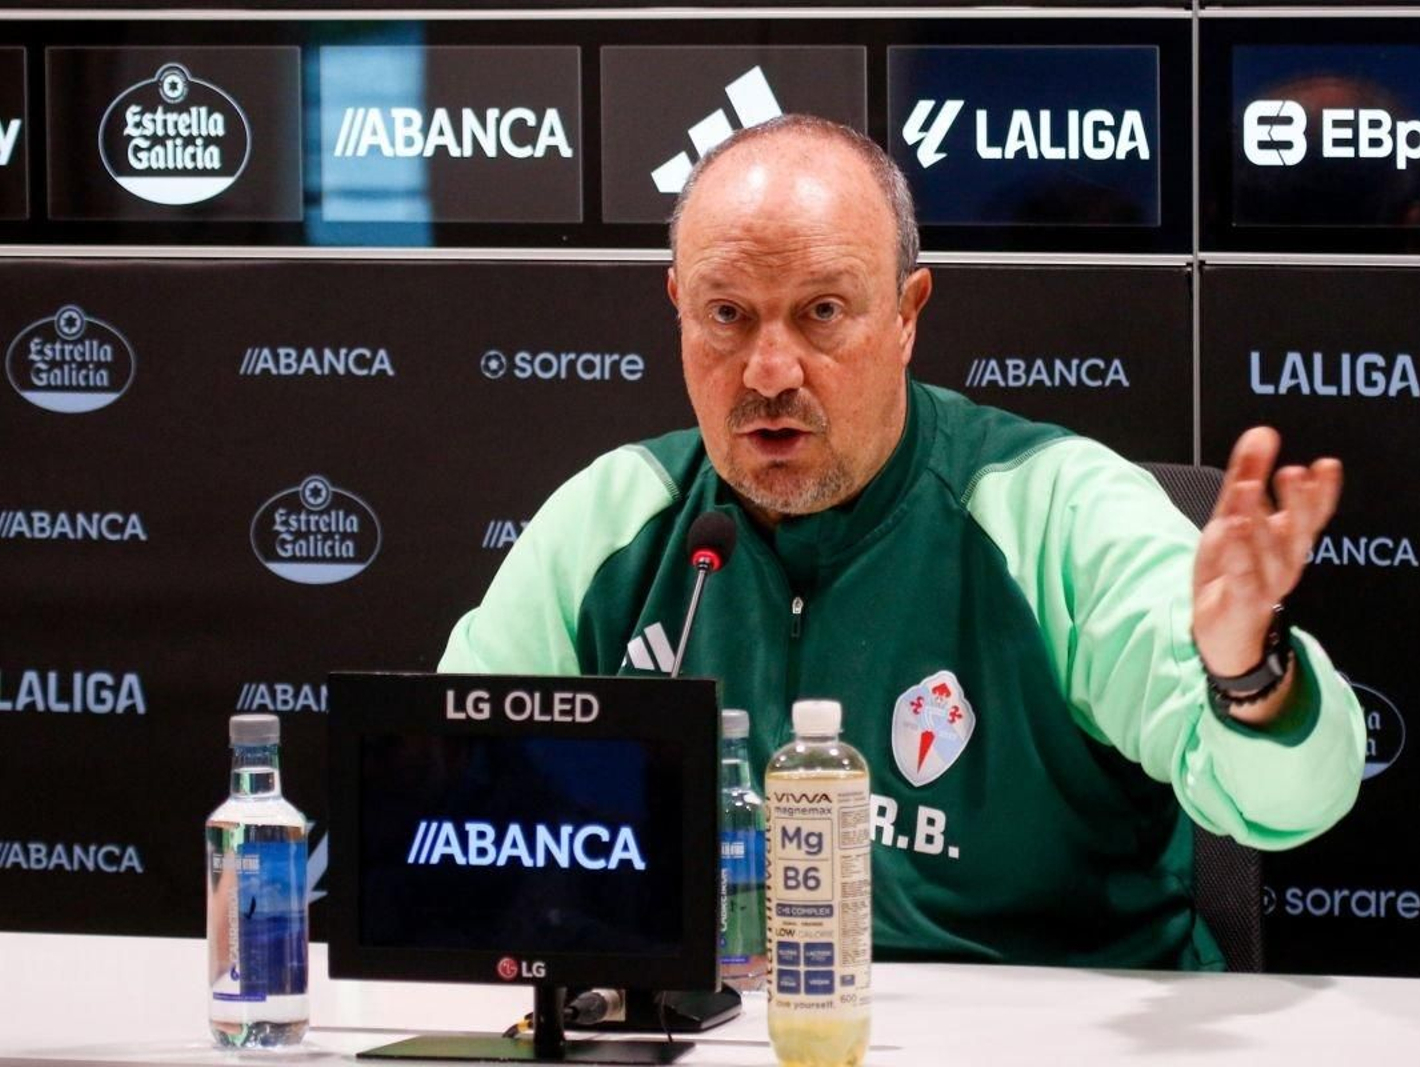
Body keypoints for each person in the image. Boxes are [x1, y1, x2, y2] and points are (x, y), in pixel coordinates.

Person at [440, 114, 1365, 970]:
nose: (769, 370)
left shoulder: (1056, 512)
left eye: (822, 313)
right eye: (727, 314)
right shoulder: (614, 521)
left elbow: (1288, 800)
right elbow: (448, 808)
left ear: (908, 312)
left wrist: (1251, 673)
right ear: (679, 307)